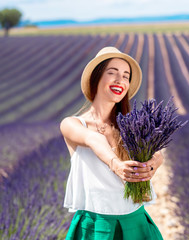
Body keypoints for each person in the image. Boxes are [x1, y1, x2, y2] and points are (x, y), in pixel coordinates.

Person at [60, 46, 164, 240]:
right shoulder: (73, 124)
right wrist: (116, 165)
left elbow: (157, 150)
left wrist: (153, 164)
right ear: (96, 78)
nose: (120, 80)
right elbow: (93, 139)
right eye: (112, 73)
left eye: (126, 76)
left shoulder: (132, 124)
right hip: (96, 225)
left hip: (135, 222)